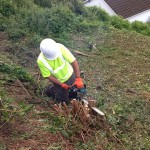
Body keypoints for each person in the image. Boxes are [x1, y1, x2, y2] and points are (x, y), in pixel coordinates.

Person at [37, 38, 84, 104]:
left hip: (70, 74)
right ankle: (51, 90)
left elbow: (73, 61)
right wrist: (61, 84)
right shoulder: (41, 61)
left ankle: (73, 99)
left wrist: (78, 78)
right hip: (58, 81)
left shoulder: (60, 47)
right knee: (64, 100)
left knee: (75, 92)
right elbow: (48, 76)